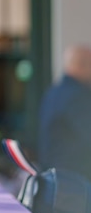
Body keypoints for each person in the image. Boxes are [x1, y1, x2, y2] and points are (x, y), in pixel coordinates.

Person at [38, 44, 91, 181]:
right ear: (82, 65)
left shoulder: (54, 93)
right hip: (76, 181)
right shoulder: (78, 97)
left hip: (57, 177)